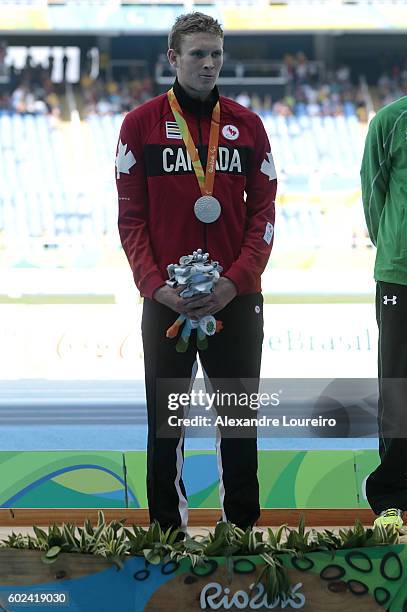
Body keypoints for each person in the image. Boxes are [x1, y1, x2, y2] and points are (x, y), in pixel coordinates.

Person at [115, 12, 277, 537]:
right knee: (166, 428)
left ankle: (241, 532)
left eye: (215, 54)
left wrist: (234, 280)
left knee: (238, 424)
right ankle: (168, 533)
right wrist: (156, 286)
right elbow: (130, 218)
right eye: (197, 54)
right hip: (167, 302)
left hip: (236, 298)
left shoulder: (248, 126)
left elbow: (265, 215)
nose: (208, 64)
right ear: (173, 59)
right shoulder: (139, 126)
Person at [361, 95, 407, 530]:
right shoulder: (392, 120)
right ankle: (391, 498)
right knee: (398, 387)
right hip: (401, 275)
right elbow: (372, 192)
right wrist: (394, 244)